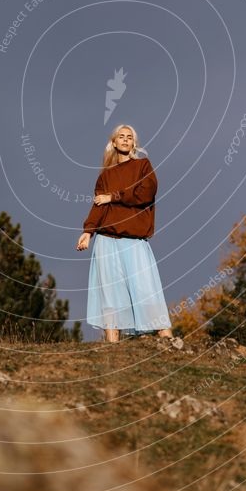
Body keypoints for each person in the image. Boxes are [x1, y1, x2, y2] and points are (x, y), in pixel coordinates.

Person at [76, 124, 173, 343]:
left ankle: (168, 339)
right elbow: (98, 206)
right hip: (106, 240)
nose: (126, 140)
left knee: (146, 287)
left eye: (130, 137)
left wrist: (114, 197)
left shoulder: (142, 166)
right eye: (122, 136)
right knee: (111, 293)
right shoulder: (105, 176)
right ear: (114, 142)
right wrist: (88, 232)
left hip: (134, 240)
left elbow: (145, 193)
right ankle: (112, 344)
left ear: (134, 144)